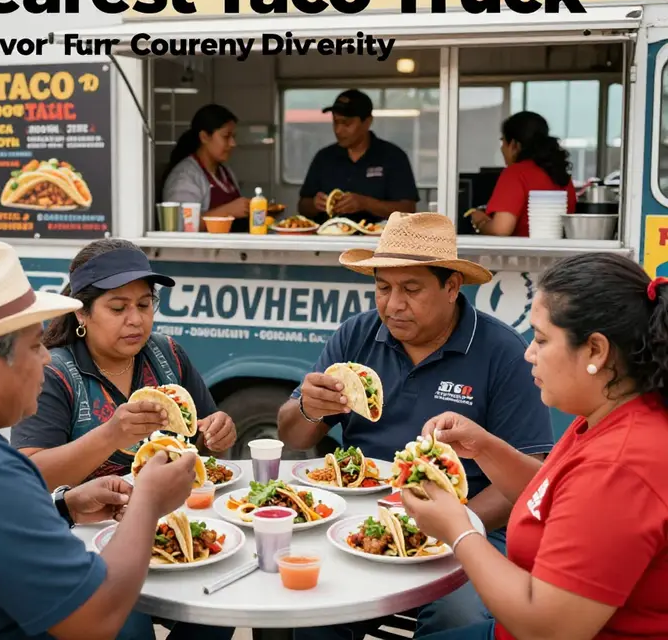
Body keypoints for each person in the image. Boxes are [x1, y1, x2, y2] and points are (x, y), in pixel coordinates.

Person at [0, 240, 203, 640]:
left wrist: (64, 506)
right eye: (33, 346)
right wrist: (147, 500)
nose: (46, 358)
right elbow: (95, 620)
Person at [278, 212, 553, 638]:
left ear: (451, 287)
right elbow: (291, 434)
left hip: (470, 524)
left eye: (410, 289)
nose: (392, 305)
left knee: (456, 620)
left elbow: (527, 475)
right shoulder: (357, 335)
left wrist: (450, 527)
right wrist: (310, 408)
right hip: (357, 516)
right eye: (382, 288)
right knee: (308, 604)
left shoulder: (501, 352)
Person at [401, 252, 668, 640]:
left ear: (596, 350)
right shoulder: (611, 411)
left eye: (541, 339)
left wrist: (456, 528)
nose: (528, 352)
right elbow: (556, 496)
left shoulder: (618, 467)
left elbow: (547, 628)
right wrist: (484, 447)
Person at [12, 237, 237, 489]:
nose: (136, 320)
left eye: (144, 304)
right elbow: (27, 476)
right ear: (81, 313)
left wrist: (217, 434)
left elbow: (203, 441)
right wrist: (110, 435)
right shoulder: (53, 374)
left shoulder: (167, 354)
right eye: (118, 308)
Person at [298, 89, 419, 224]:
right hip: (328, 239)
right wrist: (315, 204)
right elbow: (302, 206)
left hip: (377, 241)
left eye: (346, 123)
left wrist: (365, 203)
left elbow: (408, 210)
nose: (338, 130)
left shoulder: (393, 157)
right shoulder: (323, 158)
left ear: (367, 122)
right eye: (335, 122)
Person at [471, 111, 577, 237]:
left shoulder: (515, 173)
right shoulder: (561, 175)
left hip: (524, 255)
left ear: (514, 145)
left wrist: (481, 222)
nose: (502, 148)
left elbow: (501, 229)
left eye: (503, 142)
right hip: (561, 254)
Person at [161, 103, 250, 232]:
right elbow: (180, 225)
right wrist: (228, 211)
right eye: (226, 136)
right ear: (204, 137)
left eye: (233, 137)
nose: (232, 143)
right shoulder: (185, 177)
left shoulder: (225, 172)